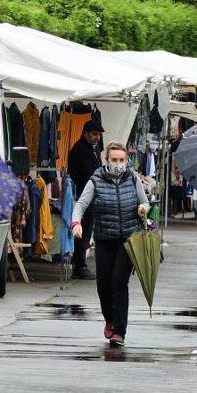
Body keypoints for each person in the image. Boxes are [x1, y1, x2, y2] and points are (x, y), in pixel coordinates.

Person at [71, 141, 150, 347]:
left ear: (127, 160)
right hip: (104, 239)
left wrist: (143, 208)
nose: (118, 163)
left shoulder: (133, 178)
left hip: (128, 240)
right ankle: (110, 319)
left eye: (121, 160)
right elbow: (81, 204)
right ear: (106, 160)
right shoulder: (96, 179)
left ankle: (120, 331)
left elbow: (145, 201)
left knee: (119, 282)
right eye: (114, 159)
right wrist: (76, 223)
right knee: (103, 285)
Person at [68, 119, 105, 280]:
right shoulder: (81, 150)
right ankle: (79, 266)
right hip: (84, 197)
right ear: (85, 134)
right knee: (83, 232)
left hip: (88, 197)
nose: (97, 138)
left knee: (86, 231)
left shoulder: (90, 149)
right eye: (95, 134)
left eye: (99, 135)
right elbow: (87, 175)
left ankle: (79, 263)